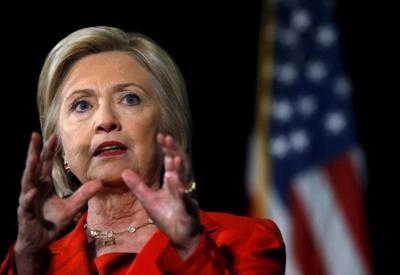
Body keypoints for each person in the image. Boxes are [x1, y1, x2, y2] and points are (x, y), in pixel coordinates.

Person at [0, 26, 285, 274]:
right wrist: (28, 261)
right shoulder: (30, 261)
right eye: (82, 105)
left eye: (130, 99)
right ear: (60, 148)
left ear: (167, 129)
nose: (105, 120)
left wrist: (189, 248)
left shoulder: (247, 240)